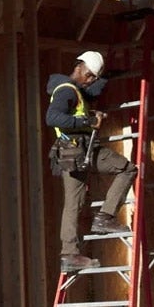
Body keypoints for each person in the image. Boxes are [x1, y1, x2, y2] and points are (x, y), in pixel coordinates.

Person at [47, 51, 137, 272]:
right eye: (88, 75)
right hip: (79, 150)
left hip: (69, 154)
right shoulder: (67, 91)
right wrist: (88, 121)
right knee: (127, 169)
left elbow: (91, 93)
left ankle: (69, 255)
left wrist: (110, 75)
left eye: (93, 78)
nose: (90, 80)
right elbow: (53, 117)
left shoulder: (75, 90)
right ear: (78, 67)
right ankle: (105, 217)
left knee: (73, 203)